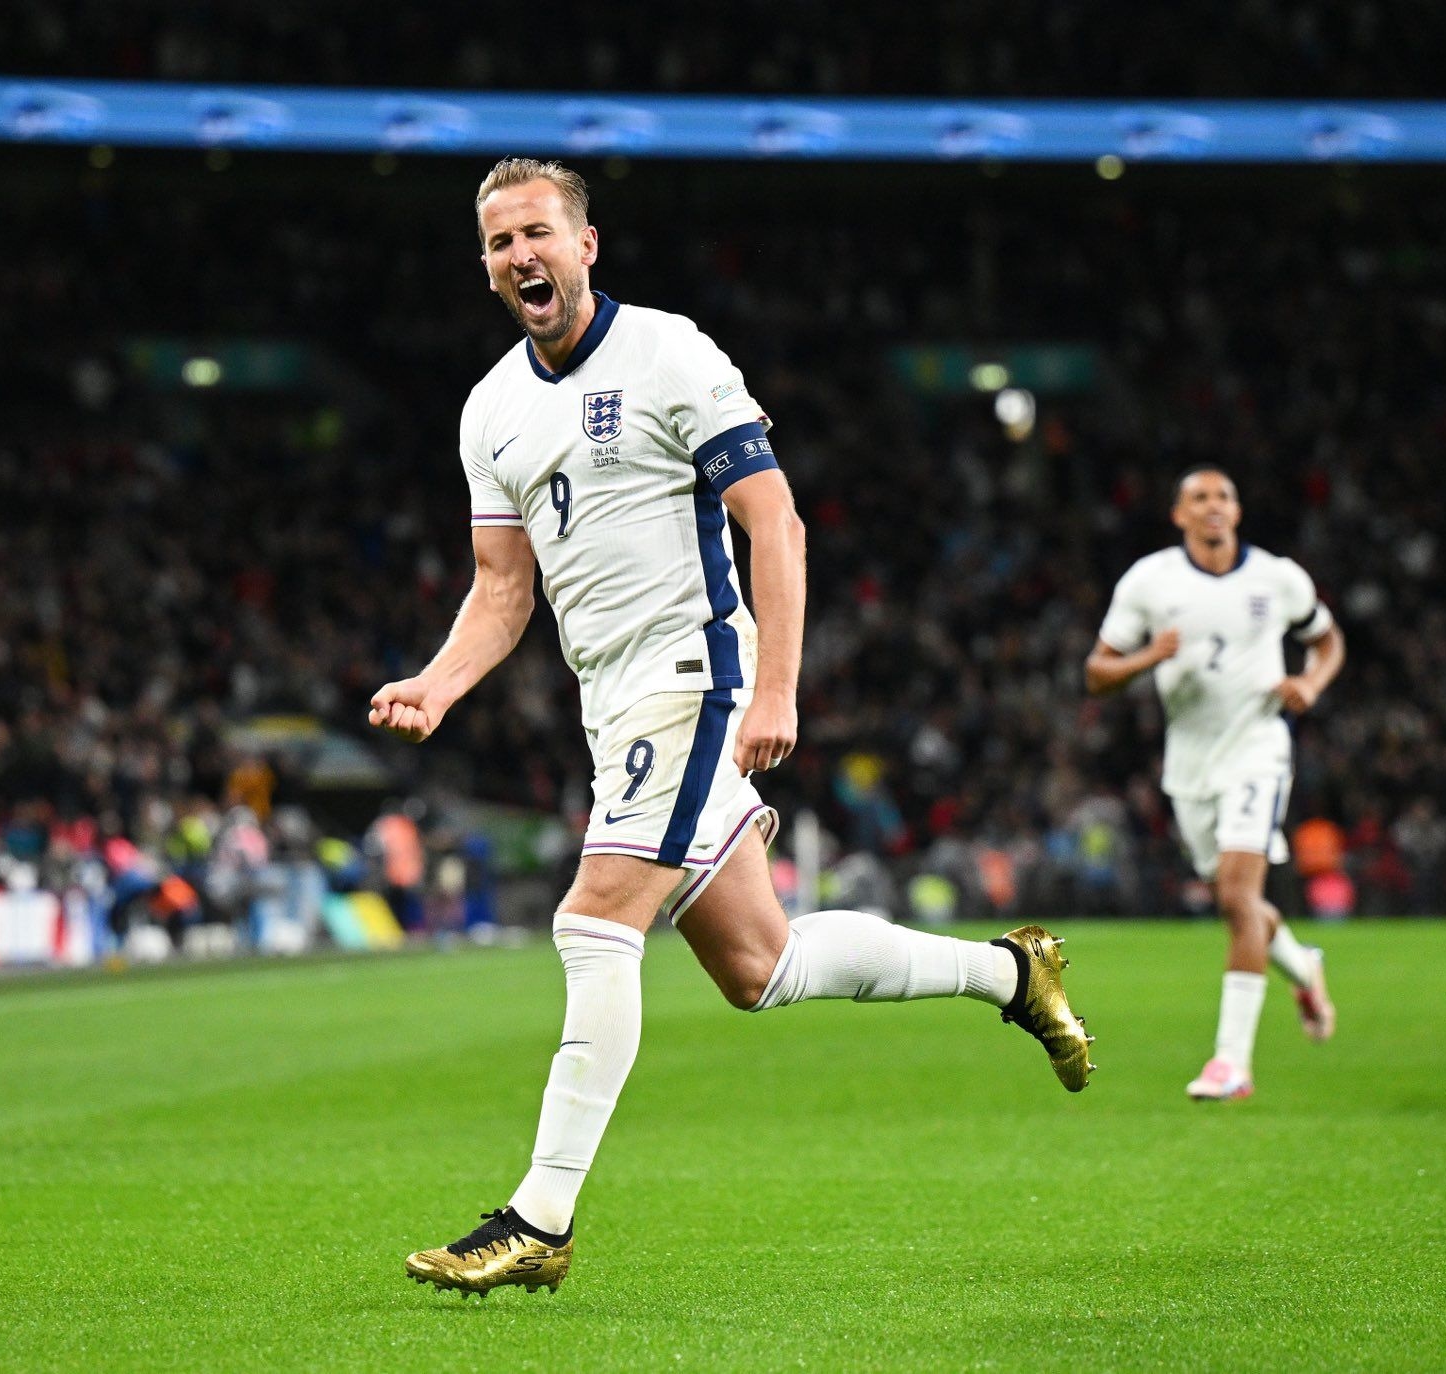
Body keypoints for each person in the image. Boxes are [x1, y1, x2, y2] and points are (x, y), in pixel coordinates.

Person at [371, 158, 1094, 1297]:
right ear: (485, 267)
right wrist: (437, 682)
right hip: (612, 705)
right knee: (762, 966)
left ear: (585, 244)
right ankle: (1010, 973)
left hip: (695, 675)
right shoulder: (490, 409)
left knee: (592, 921)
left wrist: (774, 691)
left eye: (537, 234)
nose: (521, 257)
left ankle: (537, 1219)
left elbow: (776, 523)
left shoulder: (670, 352)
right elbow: (501, 588)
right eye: (500, 242)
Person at [1085, 466, 1345, 1102]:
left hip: (1258, 751)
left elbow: (1328, 641)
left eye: (1224, 496)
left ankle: (1232, 1064)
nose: (1213, 506)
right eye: (1198, 498)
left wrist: (1308, 684)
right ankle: (1304, 967)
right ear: (1179, 515)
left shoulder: (1277, 578)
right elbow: (1097, 672)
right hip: (1190, 768)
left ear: (1237, 510)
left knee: (1235, 897)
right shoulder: (1150, 581)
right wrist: (1150, 657)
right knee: (1242, 905)